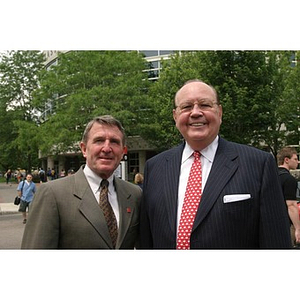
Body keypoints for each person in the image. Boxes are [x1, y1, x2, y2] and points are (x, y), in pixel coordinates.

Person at [139, 79, 291, 249]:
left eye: (204, 105)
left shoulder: (259, 164)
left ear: (220, 112)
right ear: (175, 116)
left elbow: (276, 242)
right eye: (187, 106)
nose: (195, 112)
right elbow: (147, 240)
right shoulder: (155, 167)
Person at [21, 115, 142, 249]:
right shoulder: (52, 194)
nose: (107, 148)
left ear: (123, 151)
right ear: (84, 149)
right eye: (99, 140)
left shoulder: (134, 194)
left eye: (114, 141)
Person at [277, 147, 300, 247]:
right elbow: (291, 206)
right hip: (285, 224)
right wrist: (298, 228)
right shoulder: (289, 179)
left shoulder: (269, 175)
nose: (298, 162)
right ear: (286, 160)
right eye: (295, 159)